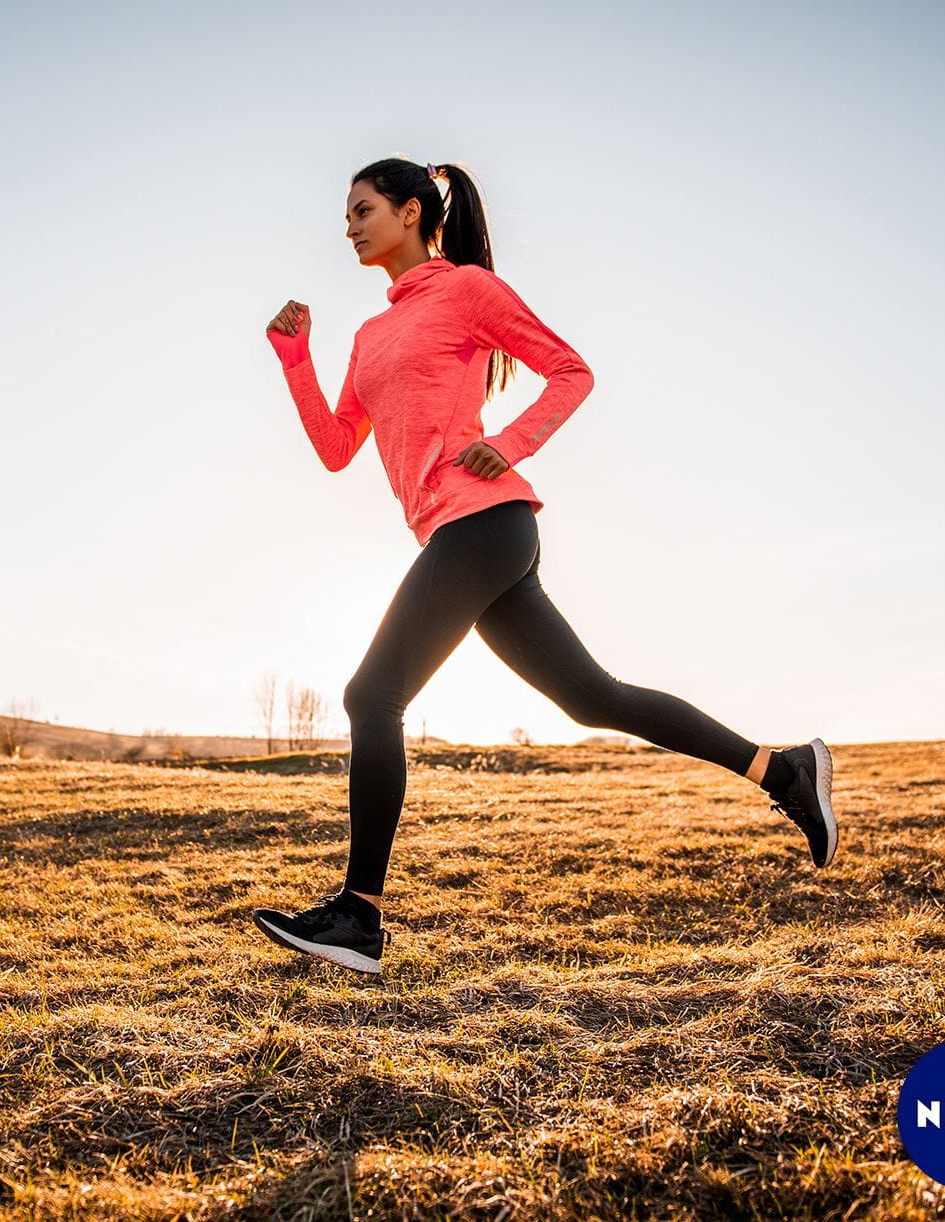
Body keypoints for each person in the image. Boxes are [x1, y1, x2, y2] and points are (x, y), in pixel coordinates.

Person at [251, 157, 837, 977]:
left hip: (486, 523)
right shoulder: (372, 334)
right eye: (345, 215)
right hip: (455, 536)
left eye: (363, 209)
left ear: (413, 212)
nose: (348, 226)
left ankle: (359, 915)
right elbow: (335, 448)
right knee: (593, 698)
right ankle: (784, 771)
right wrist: (294, 357)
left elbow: (572, 371)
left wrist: (509, 442)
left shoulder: (466, 291)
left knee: (369, 694)